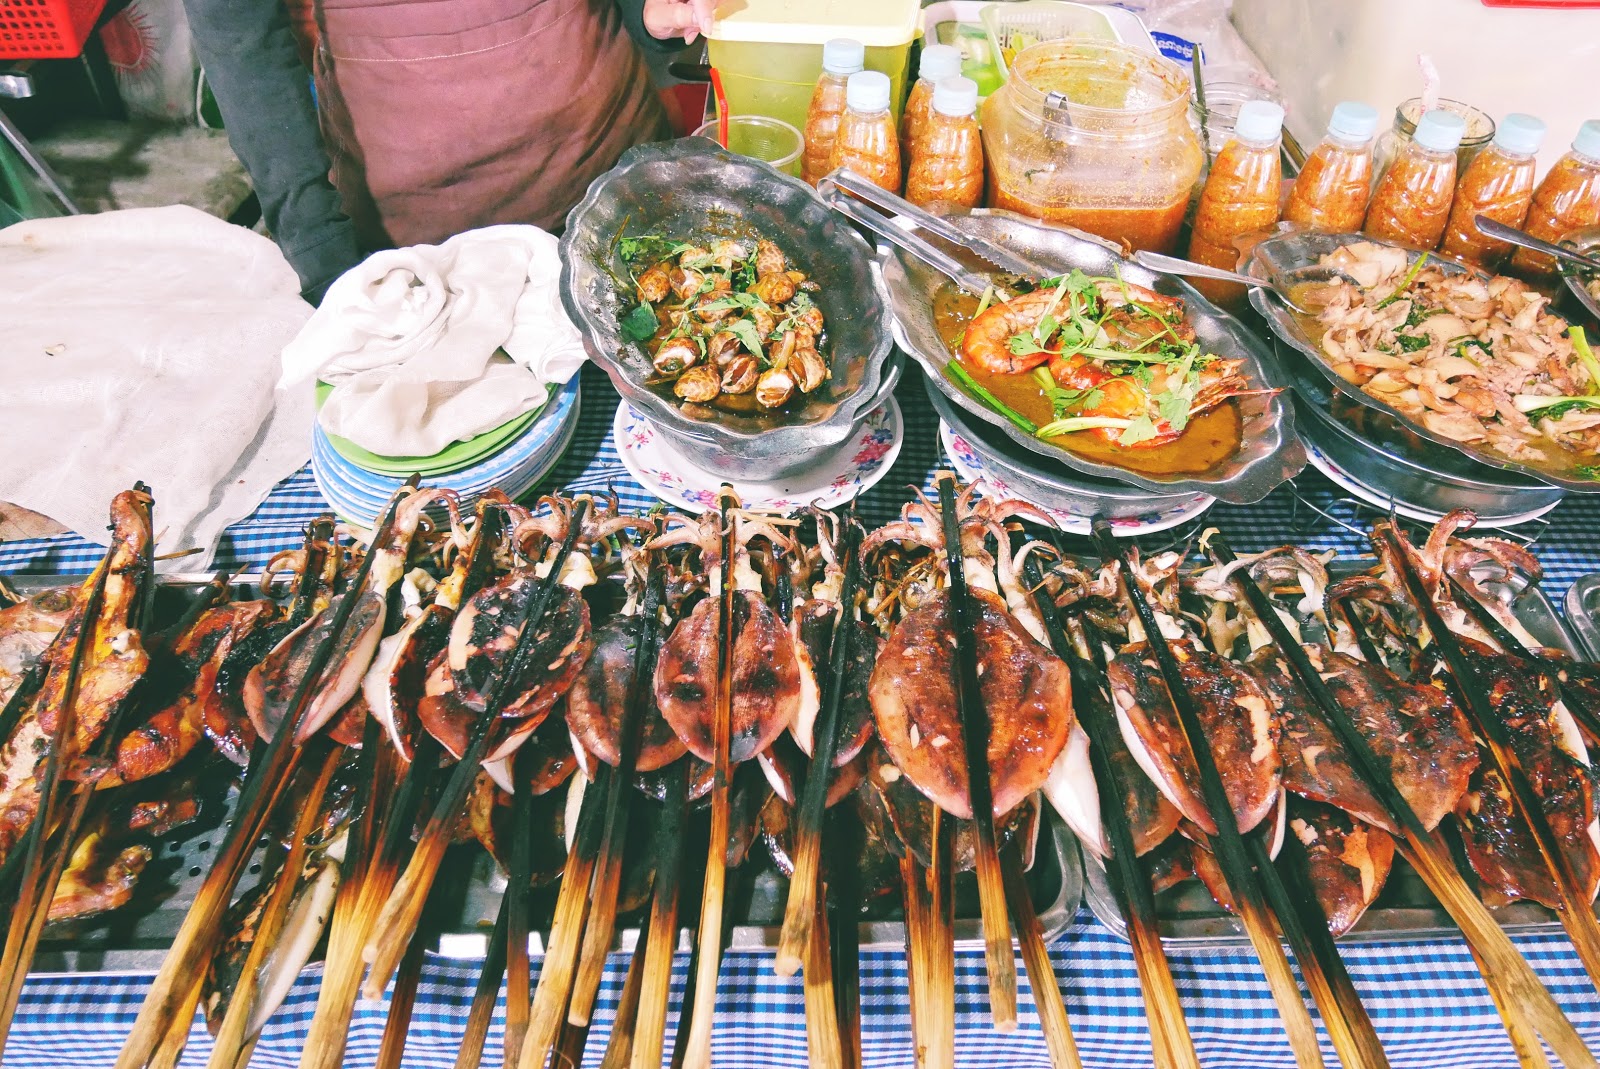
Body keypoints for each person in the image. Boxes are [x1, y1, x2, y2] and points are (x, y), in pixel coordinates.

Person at [184, 0, 713, 303]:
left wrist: (644, 12)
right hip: (424, 245)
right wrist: (320, 252)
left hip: (617, 169)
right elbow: (241, 44)